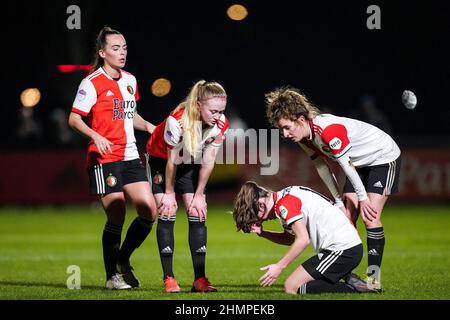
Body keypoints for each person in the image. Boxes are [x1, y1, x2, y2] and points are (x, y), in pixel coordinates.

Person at [265, 87, 402, 290]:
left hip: (382, 156)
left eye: (287, 127)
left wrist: (363, 199)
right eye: (281, 129)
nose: (285, 134)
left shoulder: (327, 129)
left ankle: (374, 281)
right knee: (346, 215)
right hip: (357, 163)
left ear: (301, 120)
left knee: (370, 217)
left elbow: (345, 165)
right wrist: (338, 201)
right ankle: (347, 275)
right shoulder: (304, 137)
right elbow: (322, 166)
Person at [68, 26, 158, 290]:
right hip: (103, 158)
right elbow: (74, 118)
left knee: (148, 209)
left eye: (125, 48)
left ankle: (123, 259)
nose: (122, 53)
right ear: (102, 52)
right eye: (116, 48)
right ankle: (112, 277)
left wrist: (151, 127)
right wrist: (95, 136)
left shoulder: (130, 80)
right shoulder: (91, 82)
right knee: (117, 211)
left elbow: (132, 116)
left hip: (130, 155)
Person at [145, 80, 228, 293]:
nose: (218, 116)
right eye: (213, 111)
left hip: (190, 160)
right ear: (199, 104)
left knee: (198, 212)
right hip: (160, 160)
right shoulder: (177, 121)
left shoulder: (221, 124)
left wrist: (200, 194)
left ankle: (199, 280)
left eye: (221, 111)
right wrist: (169, 193)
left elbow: (208, 160)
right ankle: (169, 279)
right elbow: (171, 162)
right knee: (168, 210)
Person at [232, 181, 379, 294]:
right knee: (296, 286)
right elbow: (290, 239)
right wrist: (263, 233)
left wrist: (279, 266)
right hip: (343, 249)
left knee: (292, 286)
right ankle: (349, 280)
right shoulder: (284, 197)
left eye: (255, 216)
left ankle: (354, 287)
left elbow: (303, 240)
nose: (260, 221)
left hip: (343, 251)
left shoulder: (284, 204)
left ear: (261, 204)